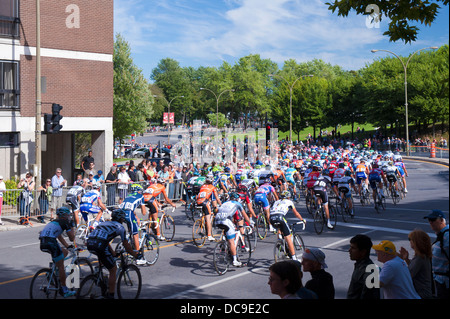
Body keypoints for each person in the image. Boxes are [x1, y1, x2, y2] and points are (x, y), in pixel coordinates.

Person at [86, 208, 140, 299]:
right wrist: (136, 255)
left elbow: (105, 240)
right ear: (121, 219)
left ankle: (100, 279)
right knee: (113, 269)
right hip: (100, 245)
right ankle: (111, 295)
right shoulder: (120, 227)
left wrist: (113, 253)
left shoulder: (103, 223)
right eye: (123, 219)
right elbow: (126, 246)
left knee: (104, 259)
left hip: (90, 243)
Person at [38, 207, 76, 298]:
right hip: (51, 242)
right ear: (64, 215)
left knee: (64, 252)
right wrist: (72, 227)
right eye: (68, 215)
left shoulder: (53, 222)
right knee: (61, 266)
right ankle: (65, 290)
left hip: (43, 242)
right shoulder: (65, 222)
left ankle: (53, 271)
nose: (69, 217)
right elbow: (72, 238)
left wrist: (67, 246)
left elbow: (59, 236)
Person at [215, 192, 251, 266]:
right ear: (237, 199)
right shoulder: (238, 204)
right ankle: (235, 260)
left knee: (227, 231)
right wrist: (250, 224)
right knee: (231, 241)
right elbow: (245, 216)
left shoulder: (225, 203)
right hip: (226, 221)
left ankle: (224, 243)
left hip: (217, 220)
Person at [269, 190, 306, 261]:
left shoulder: (276, 201)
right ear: (288, 197)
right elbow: (296, 214)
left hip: (271, 218)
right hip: (280, 217)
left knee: (280, 227)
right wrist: (302, 220)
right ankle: (294, 258)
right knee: (288, 237)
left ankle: (279, 240)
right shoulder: (289, 202)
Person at [398, 229, 433, 299]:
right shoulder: (422, 256)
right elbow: (415, 268)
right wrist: (406, 259)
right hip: (424, 293)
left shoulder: (419, 258)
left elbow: (407, 275)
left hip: (421, 294)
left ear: (416, 242)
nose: (409, 241)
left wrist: (398, 260)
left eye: (410, 239)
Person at [119, 183, 147, 265]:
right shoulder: (141, 196)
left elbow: (130, 207)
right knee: (135, 234)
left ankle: (129, 244)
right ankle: (138, 257)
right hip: (128, 213)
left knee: (131, 229)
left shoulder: (128, 196)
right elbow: (144, 212)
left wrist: (136, 217)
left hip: (121, 213)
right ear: (139, 191)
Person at [424, 209, 449, 299]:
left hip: (446, 283)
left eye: (433, 220)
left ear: (442, 220)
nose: (430, 222)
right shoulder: (441, 235)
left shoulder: (447, 236)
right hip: (441, 281)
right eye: (429, 220)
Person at [347, 234, 380, 299]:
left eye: (353, 248)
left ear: (363, 252)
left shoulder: (370, 271)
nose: (349, 250)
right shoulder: (360, 265)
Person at [196, 174, 222, 241]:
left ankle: (202, 227)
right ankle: (209, 235)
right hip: (205, 202)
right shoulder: (213, 187)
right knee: (208, 217)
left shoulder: (202, 186)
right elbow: (217, 198)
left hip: (198, 201)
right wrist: (221, 205)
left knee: (204, 214)